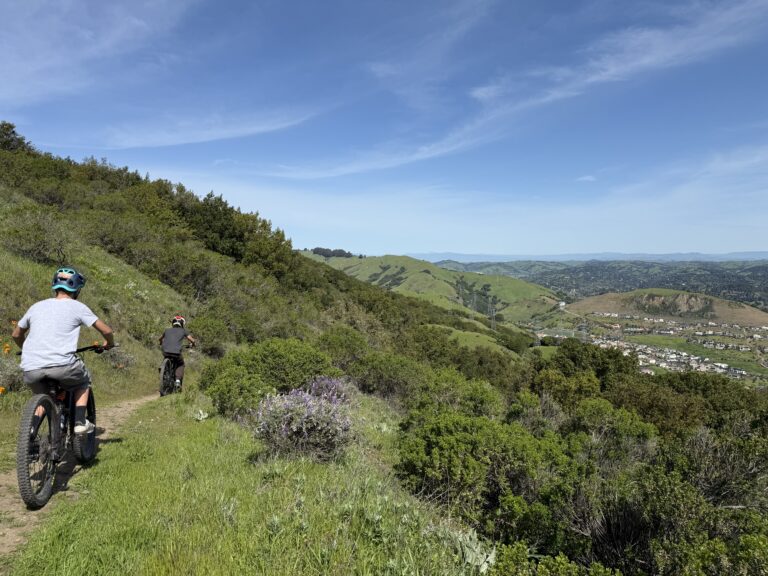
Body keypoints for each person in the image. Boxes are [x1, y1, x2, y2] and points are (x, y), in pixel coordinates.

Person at [12, 267, 114, 434]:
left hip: (31, 368)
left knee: (43, 395)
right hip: (63, 366)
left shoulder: (36, 306)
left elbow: (16, 334)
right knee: (83, 382)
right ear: (77, 289)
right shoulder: (78, 307)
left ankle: (30, 431)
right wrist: (109, 343)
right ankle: (80, 422)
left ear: (55, 286)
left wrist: (28, 350)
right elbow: (107, 331)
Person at [159, 315, 195, 389]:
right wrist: (193, 344)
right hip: (176, 353)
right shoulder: (183, 331)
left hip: (165, 351)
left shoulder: (167, 330)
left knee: (167, 355)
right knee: (181, 364)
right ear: (182, 324)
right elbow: (192, 340)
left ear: (173, 323)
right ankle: (178, 381)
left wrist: (161, 342)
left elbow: (160, 339)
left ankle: (162, 367)